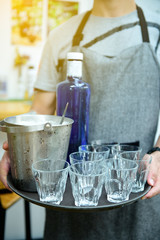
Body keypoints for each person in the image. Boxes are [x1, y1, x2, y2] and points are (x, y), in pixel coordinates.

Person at [1, 0, 160, 239]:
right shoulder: (61, 36)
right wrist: (19, 145)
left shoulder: (156, 29)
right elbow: (41, 109)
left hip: (137, 186)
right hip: (70, 195)